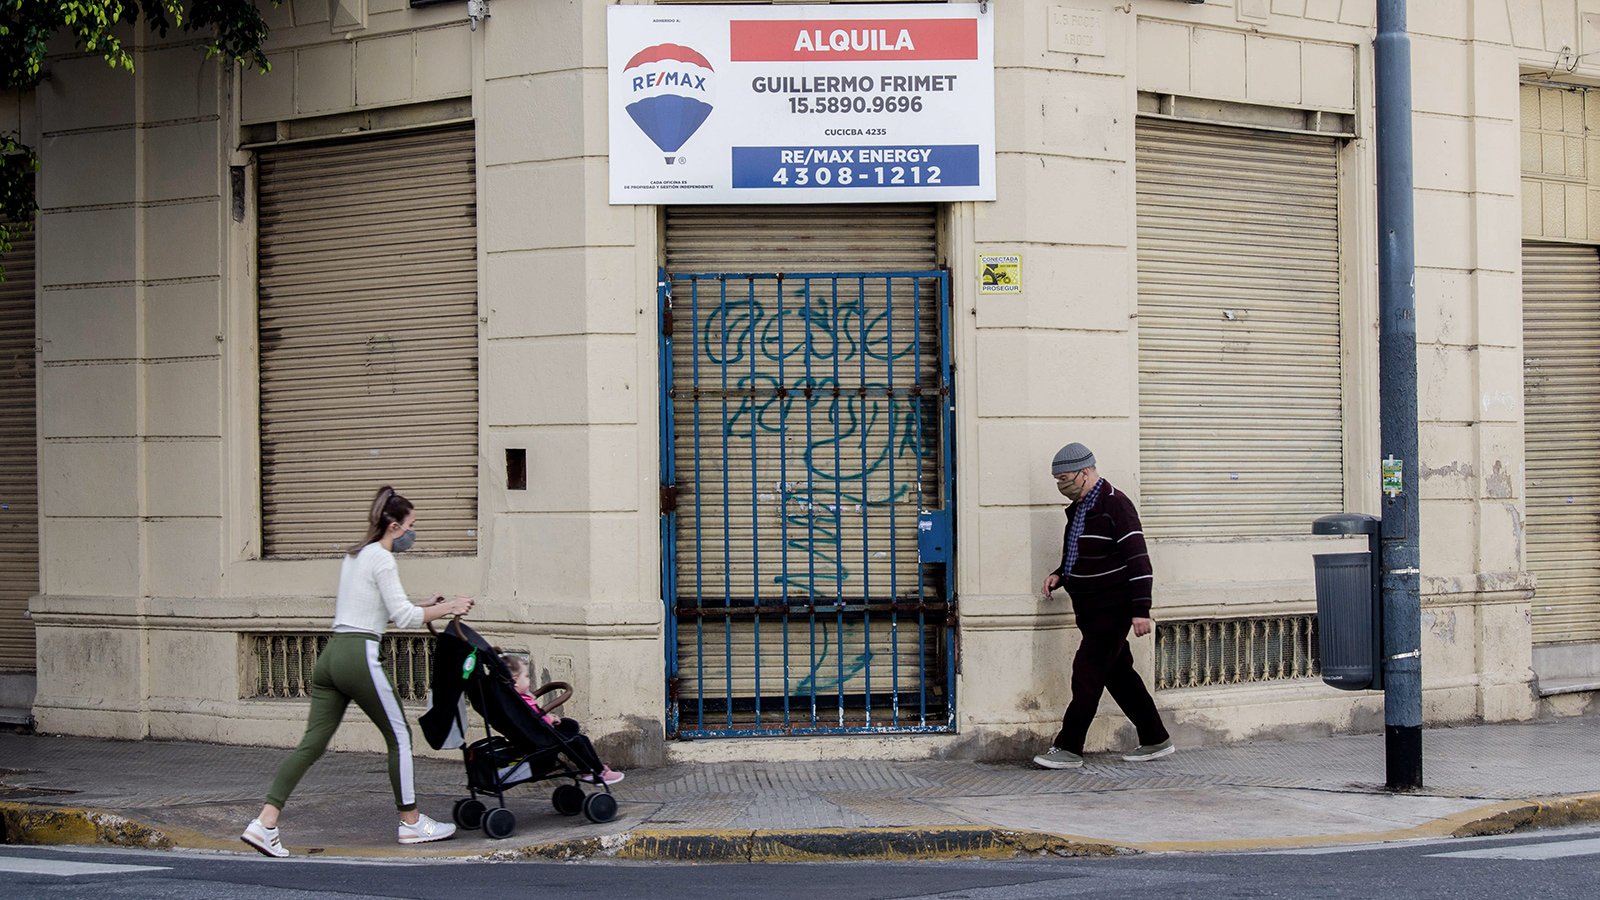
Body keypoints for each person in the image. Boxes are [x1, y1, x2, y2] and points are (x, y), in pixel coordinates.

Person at [241, 486, 477, 857]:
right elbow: (404, 618)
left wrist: (426, 604)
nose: (414, 533)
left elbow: (373, 610)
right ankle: (412, 823)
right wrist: (450, 608)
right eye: (412, 525)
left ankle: (264, 823)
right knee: (399, 736)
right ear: (395, 526)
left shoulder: (355, 556)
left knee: (311, 744)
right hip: (359, 657)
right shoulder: (383, 559)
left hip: (331, 655)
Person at [1033, 443, 1174, 770]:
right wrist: (1060, 575)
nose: (1060, 485)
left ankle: (1068, 747)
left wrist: (1141, 609)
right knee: (1119, 674)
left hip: (1113, 606)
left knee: (1087, 673)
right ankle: (1155, 737)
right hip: (1090, 608)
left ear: (1085, 472)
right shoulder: (1083, 506)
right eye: (1057, 480)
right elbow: (1083, 552)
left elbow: (1139, 560)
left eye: (1064, 478)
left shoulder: (1116, 505)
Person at [500, 652, 624, 785]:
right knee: (579, 740)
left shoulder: (511, 699)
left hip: (534, 734)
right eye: (525, 676)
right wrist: (549, 718)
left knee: (570, 726)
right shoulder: (520, 702)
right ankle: (597, 771)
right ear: (515, 681)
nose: (528, 680)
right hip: (539, 737)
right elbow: (531, 720)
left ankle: (586, 768)